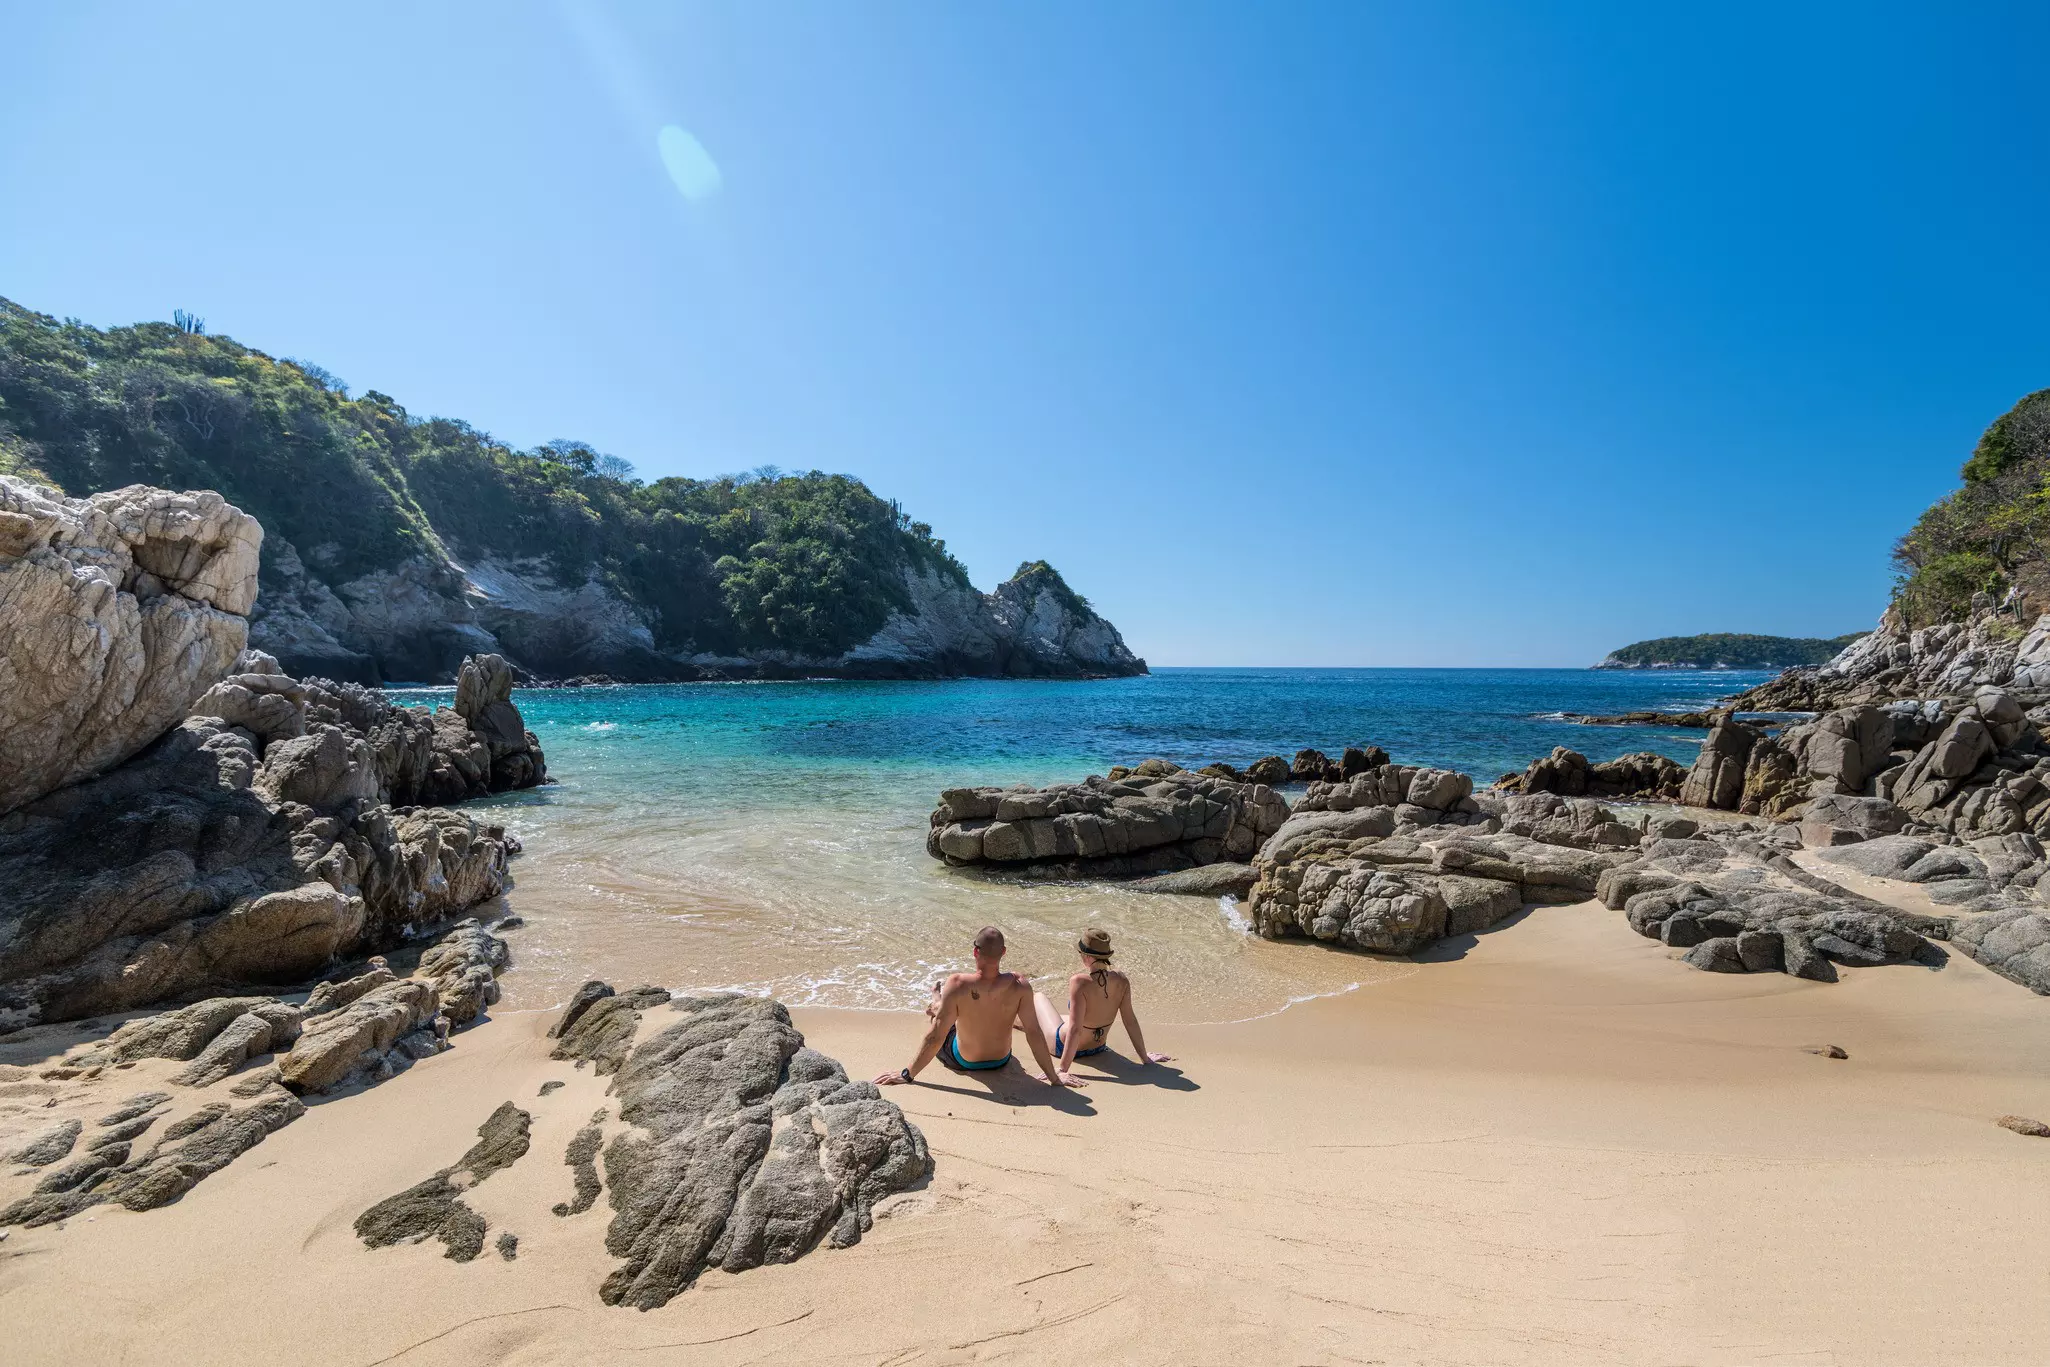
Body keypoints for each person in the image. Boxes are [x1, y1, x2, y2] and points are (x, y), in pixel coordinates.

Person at [875, 925, 1080, 1088]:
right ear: (1004, 952)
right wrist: (1055, 1078)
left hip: (964, 1060)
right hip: (1001, 1059)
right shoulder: (1020, 985)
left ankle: (936, 1002)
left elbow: (935, 1036)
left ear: (975, 951)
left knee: (942, 1020)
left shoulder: (957, 983)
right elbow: (1034, 1033)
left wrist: (907, 1074)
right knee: (966, 1014)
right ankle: (937, 1002)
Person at [1031, 927, 1172, 1073]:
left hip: (1063, 1047)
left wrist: (1062, 1069)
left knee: (1038, 997)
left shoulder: (1079, 981)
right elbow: (1130, 1021)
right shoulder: (1122, 980)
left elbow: (1075, 1030)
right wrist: (1145, 1058)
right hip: (1098, 1047)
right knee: (1062, 1017)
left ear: (1086, 956)